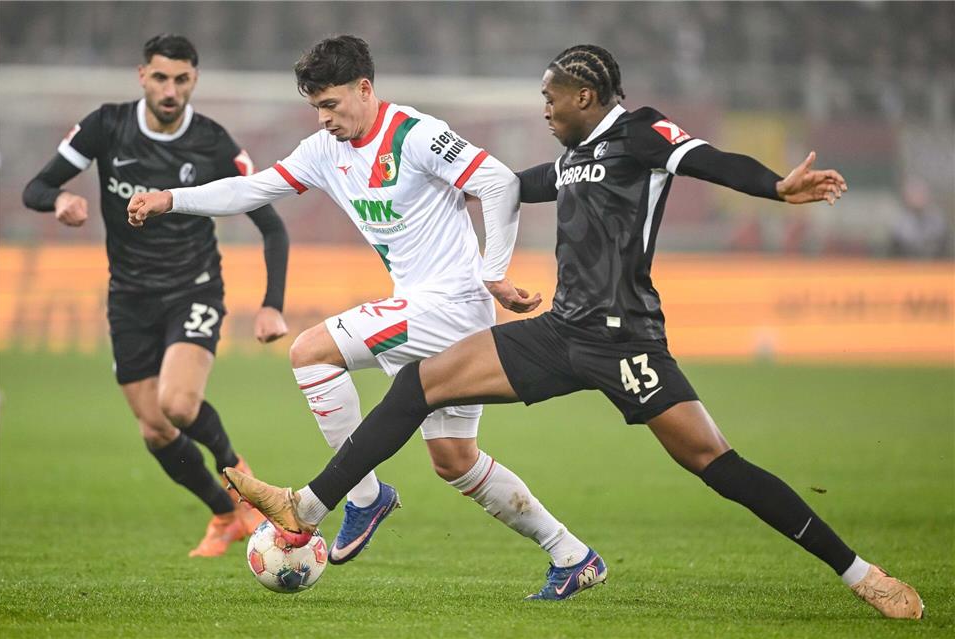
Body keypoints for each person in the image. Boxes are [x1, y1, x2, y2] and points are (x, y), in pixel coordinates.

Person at [220, 44, 923, 618]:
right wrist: (434, 181)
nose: (544, 109)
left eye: (550, 98)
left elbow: (710, 159)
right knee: (418, 386)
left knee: (717, 464)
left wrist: (774, 187)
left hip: (627, 343)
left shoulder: (640, 133)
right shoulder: (572, 158)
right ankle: (308, 504)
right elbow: (507, 182)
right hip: (560, 332)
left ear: (585, 96)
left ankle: (863, 574)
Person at [127, 35, 599, 598]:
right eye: (315, 107)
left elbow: (498, 182)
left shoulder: (415, 134)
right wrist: (172, 199)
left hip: (450, 305)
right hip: (424, 307)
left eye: (331, 104)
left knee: (311, 352)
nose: (324, 118)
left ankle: (364, 496)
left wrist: (495, 272)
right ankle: (571, 554)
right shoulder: (323, 150)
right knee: (454, 460)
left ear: (365, 89)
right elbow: (252, 190)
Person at [22, 34, 289, 558]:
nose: (171, 90)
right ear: (142, 76)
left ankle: (245, 483)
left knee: (178, 404)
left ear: (194, 80)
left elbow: (272, 227)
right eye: (161, 77)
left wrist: (272, 304)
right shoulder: (107, 126)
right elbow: (37, 187)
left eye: (182, 79)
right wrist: (59, 201)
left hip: (193, 289)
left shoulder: (212, 143)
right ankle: (225, 514)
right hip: (128, 297)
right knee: (154, 429)